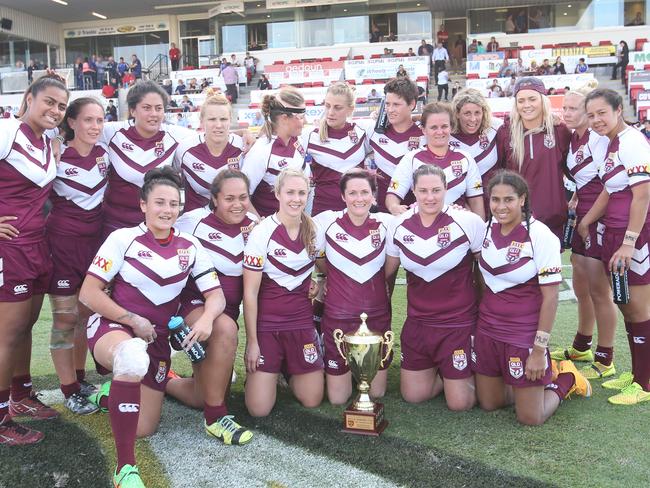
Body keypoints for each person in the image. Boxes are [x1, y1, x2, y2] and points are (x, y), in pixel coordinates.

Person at [80, 167, 225, 487]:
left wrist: (205, 318)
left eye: (174, 204)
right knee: (131, 356)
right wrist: (132, 320)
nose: (167, 210)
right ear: (143, 205)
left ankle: (107, 396)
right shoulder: (122, 239)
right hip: (115, 327)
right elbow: (88, 293)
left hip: (156, 340)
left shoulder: (191, 245)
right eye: (160, 202)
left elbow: (216, 296)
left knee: (144, 426)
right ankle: (125, 469)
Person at [474, 170, 591, 425]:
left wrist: (539, 350)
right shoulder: (485, 228)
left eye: (509, 199)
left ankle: (566, 379)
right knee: (489, 404)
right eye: (495, 199)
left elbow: (550, 299)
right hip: (488, 330)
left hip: (522, 333)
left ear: (523, 200)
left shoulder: (542, 237)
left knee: (531, 417)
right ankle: (522, 383)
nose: (501, 206)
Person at [0, 74, 69, 445]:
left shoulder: (45, 141)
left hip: (36, 246)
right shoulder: (6, 131)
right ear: (29, 98)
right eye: (49, 101)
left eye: (61, 106)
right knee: (5, 335)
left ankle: (21, 395)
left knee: (24, 328)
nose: (55, 110)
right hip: (9, 249)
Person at [385, 164, 484, 410]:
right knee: (413, 396)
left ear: (447, 190)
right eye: (423, 191)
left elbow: (483, 273)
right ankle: (446, 372)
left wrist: (483, 314)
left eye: (436, 190)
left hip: (457, 324)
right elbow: (388, 275)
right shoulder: (398, 225)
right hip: (418, 324)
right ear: (414, 192)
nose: (430, 197)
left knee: (460, 404)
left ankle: (467, 376)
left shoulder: (468, 221)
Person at [166, 170, 254, 444]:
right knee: (226, 328)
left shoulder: (256, 226)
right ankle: (217, 418)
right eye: (229, 198)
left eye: (243, 197)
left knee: (201, 396)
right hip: (195, 305)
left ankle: (161, 380)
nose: (237, 204)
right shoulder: (191, 222)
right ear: (214, 199)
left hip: (229, 310)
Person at [582, 89, 650, 404]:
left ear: (619, 110)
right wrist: (587, 221)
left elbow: (643, 195)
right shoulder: (611, 143)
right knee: (625, 303)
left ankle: (645, 383)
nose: (596, 120)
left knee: (638, 306)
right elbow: (611, 190)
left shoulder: (632, 141)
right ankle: (637, 374)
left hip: (634, 235)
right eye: (591, 114)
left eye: (602, 113)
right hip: (614, 232)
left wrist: (629, 243)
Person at [549, 84, 619, 380]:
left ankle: (606, 358)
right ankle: (582, 345)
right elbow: (582, 178)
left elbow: (610, 185)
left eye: (573, 108)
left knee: (599, 289)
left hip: (599, 216)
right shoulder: (575, 137)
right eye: (564, 107)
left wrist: (589, 219)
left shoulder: (597, 140)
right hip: (582, 214)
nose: (567, 113)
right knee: (580, 280)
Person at [243, 168, 325, 417]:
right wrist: (252, 343)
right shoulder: (261, 232)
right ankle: (268, 370)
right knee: (258, 410)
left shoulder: (314, 231)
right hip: (268, 325)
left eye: (302, 193)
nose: (296, 198)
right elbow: (250, 293)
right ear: (277, 193)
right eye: (290, 192)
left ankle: (286, 368)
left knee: (312, 400)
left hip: (300, 322)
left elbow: (325, 268)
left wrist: (319, 281)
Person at [46, 97, 109, 416]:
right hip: (62, 245)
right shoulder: (54, 154)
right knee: (64, 318)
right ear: (71, 122)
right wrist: (55, 140)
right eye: (88, 120)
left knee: (86, 314)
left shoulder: (104, 153)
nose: (95, 126)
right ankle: (68, 390)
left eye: (99, 120)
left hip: (94, 246)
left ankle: (80, 380)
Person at [313, 170, 393, 404]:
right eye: (353, 193)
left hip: (377, 315)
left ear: (374, 196)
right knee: (338, 398)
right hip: (338, 316)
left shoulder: (387, 223)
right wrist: (331, 277)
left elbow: (421, 215)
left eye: (365, 192)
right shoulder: (326, 221)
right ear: (343, 196)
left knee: (377, 393)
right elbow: (315, 255)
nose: (359, 198)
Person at [98, 80, 195, 236]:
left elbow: (211, 136)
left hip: (156, 228)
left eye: (159, 108)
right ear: (133, 110)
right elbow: (76, 129)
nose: (154, 114)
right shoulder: (112, 132)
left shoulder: (174, 134)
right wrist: (58, 140)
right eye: (146, 108)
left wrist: (244, 135)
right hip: (115, 226)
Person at [496, 76, 571, 239]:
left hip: (552, 221)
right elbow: (498, 175)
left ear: (542, 100)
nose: (527, 105)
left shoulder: (559, 131)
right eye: (521, 100)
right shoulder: (505, 133)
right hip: (516, 220)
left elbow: (575, 172)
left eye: (532, 99)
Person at [386, 102, 484, 219]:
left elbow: (477, 202)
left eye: (444, 126)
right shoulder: (411, 159)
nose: (439, 132)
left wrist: (479, 229)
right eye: (433, 127)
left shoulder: (465, 159)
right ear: (423, 130)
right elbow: (392, 195)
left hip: (458, 228)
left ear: (451, 127)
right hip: (422, 229)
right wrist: (394, 207)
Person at [242, 87, 309, 217]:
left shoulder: (300, 140)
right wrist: (262, 226)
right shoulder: (261, 151)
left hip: (295, 222)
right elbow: (242, 196)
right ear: (284, 118)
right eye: (301, 117)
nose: (305, 122)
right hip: (270, 228)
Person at [305, 82, 367, 214]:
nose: (330, 112)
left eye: (337, 107)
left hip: (357, 210)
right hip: (323, 211)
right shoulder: (310, 136)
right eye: (327, 106)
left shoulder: (363, 130)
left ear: (350, 109)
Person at [364, 78, 425, 212]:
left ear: (412, 104)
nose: (390, 110)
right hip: (383, 214)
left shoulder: (426, 134)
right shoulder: (373, 131)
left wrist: (422, 117)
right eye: (387, 104)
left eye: (396, 104)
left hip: (419, 214)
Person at [174, 94, 243, 212]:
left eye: (223, 119)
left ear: (230, 120)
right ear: (201, 121)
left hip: (233, 219)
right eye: (212, 119)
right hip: (194, 223)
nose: (218, 125)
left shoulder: (243, 147)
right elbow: (171, 179)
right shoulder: (185, 150)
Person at [450, 88, 503, 210]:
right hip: (460, 206)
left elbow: (521, 123)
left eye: (477, 113)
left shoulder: (495, 127)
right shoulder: (445, 133)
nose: (473, 119)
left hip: (493, 203)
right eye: (467, 113)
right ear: (457, 113)